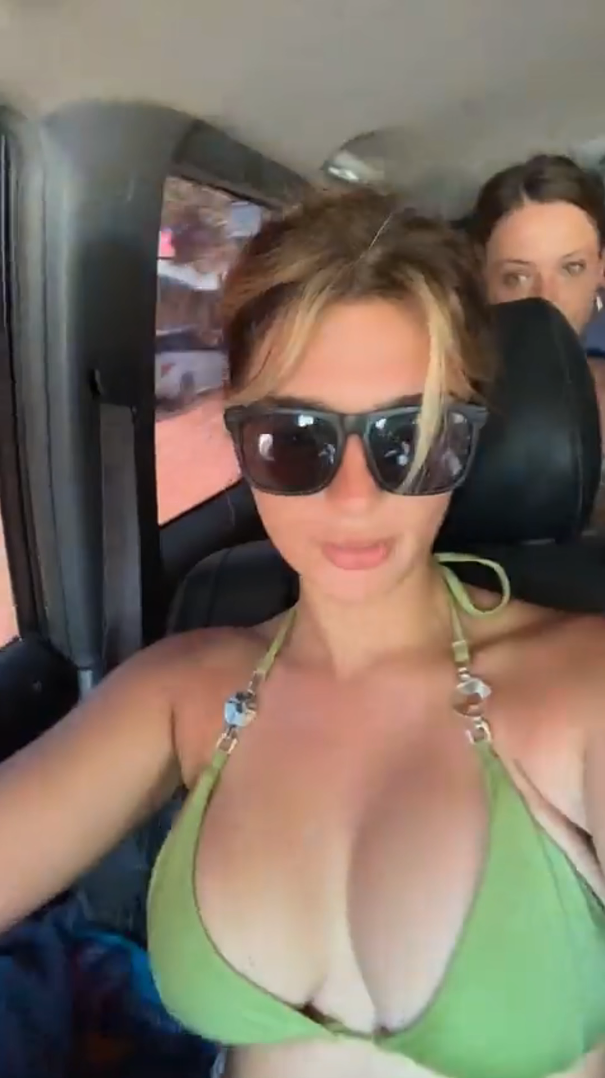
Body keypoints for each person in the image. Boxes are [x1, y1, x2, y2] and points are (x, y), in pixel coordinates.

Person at [1, 187, 605, 1078]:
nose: (354, 499)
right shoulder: (181, 689)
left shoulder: (584, 686)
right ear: (239, 438)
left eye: (409, 437)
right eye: (294, 439)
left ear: (467, 436)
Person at [468, 153, 605, 528]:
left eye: (572, 268)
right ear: (482, 276)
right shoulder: (450, 405)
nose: (547, 298)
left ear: (601, 269)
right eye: (517, 276)